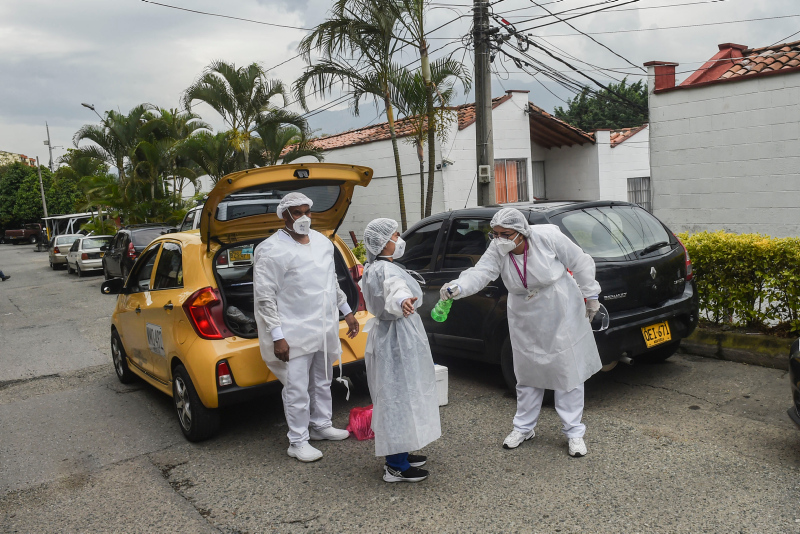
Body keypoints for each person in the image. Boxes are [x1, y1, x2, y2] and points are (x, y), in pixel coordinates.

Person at [440, 208, 601, 457]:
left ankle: (574, 432)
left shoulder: (547, 237)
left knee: (567, 371)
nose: (499, 239)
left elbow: (579, 261)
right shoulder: (498, 248)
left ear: (522, 232)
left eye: (506, 234)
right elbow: (481, 273)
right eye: (495, 234)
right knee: (526, 372)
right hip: (523, 312)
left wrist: (591, 294)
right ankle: (524, 427)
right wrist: (458, 286)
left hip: (559, 307)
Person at [253, 192, 360, 463]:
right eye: (296, 213)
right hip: (292, 331)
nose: (303, 218)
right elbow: (265, 297)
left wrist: (347, 312)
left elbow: (331, 282)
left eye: (307, 212)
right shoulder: (270, 249)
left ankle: (321, 425)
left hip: (323, 326)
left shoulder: (323, 242)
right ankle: (298, 440)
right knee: (296, 387)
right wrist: (277, 336)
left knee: (323, 381)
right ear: (284, 215)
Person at [360, 218, 441, 483]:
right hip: (396, 338)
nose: (399, 239)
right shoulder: (386, 270)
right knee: (397, 397)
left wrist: (401, 301)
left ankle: (401, 452)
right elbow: (396, 290)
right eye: (395, 235)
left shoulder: (376, 267)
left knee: (401, 395)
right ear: (382, 242)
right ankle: (395, 465)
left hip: (393, 336)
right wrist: (403, 301)